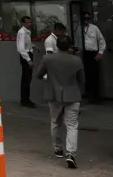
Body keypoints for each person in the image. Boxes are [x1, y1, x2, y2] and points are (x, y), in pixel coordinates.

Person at [37, 36, 85, 169]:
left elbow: (39, 75)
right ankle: (71, 153)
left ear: (57, 46)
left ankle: (58, 149)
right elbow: (82, 79)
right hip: (73, 95)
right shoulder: (76, 60)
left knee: (55, 121)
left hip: (54, 95)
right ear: (70, 46)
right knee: (72, 125)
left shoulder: (48, 59)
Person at [78, 12, 106, 103]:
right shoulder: (78, 28)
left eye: (88, 18)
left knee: (95, 75)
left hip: (93, 53)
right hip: (84, 53)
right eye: (85, 18)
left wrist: (100, 53)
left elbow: (101, 40)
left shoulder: (94, 28)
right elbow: (77, 41)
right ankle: (89, 96)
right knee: (86, 75)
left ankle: (96, 96)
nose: (86, 20)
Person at [16, 15, 36, 108]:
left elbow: (27, 44)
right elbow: (21, 48)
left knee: (28, 78)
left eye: (30, 22)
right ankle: (25, 100)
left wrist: (33, 46)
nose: (29, 23)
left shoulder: (27, 32)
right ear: (23, 23)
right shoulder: (22, 32)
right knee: (26, 78)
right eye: (27, 22)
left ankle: (26, 98)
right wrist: (28, 60)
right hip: (25, 56)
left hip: (28, 54)